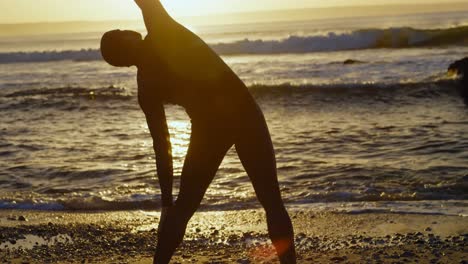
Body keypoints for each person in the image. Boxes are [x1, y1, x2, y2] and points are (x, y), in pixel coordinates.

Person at [100, 0, 297, 263]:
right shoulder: (162, 31)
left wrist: (166, 203)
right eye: (122, 31)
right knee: (271, 201)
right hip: (243, 114)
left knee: (182, 208)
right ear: (126, 42)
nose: (128, 29)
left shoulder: (146, 88)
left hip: (209, 128)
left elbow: (163, 148)